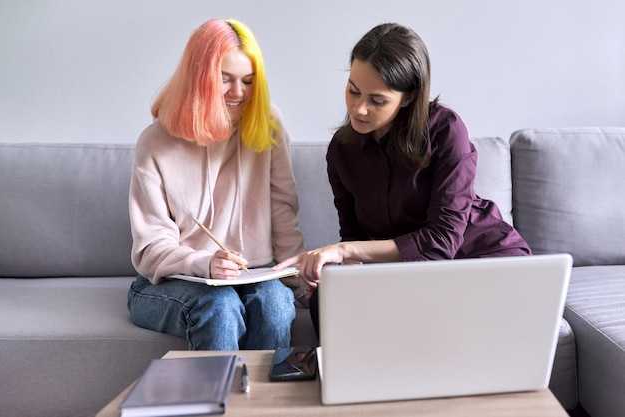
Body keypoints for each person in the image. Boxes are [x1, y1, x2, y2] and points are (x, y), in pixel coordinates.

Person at [275, 23, 532, 336]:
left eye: (377, 100)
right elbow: (355, 237)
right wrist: (339, 278)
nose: (359, 108)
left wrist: (343, 250)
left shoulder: (446, 130)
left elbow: (441, 242)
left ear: (409, 98)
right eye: (353, 90)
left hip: (478, 260)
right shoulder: (342, 151)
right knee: (326, 302)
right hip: (407, 279)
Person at [127, 18, 306, 350]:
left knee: (275, 304)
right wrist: (203, 262)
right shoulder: (154, 143)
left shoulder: (269, 124)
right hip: (172, 280)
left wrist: (299, 277)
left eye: (248, 81)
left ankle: (267, 402)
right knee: (220, 306)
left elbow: (282, 208)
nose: (238, 93)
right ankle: (219, 401)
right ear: (199, 78)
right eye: (225, 80)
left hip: (253, 273)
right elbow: (150, 249)